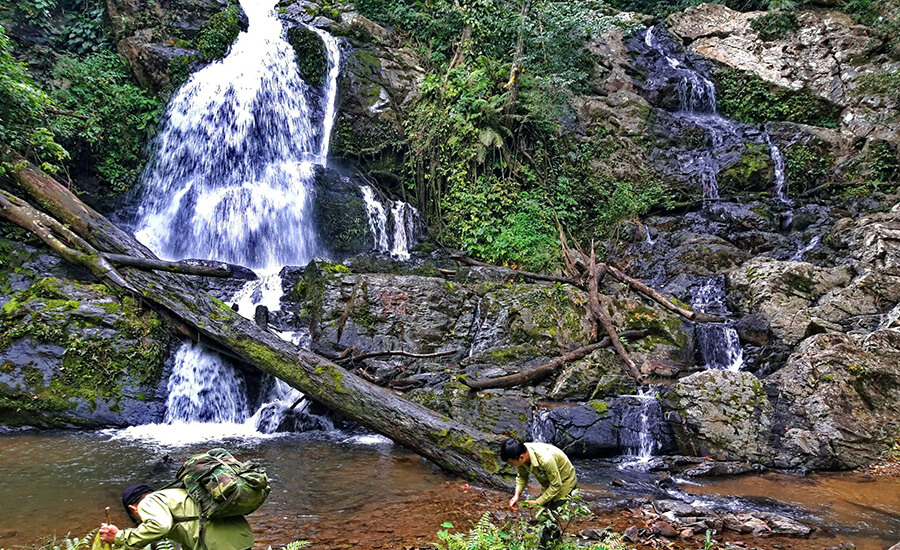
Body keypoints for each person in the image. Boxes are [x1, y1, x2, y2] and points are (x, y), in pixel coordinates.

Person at [99, 483, 254, 550]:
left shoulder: (148, 502)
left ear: (133, 509)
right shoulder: (176, 493)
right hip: (241, 539)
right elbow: (191, 530)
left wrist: (119, 536)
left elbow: (160, 526)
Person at [500, 438, 577, 546]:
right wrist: (517, 495)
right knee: (544, 512)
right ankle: (555, 543)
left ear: (521, 457)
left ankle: (545, 546)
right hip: (548, 482)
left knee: (551, 515)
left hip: (564, 482)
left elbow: (556, 485)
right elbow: (522, 477)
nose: (512, 466)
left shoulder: (546, 460)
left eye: (512, 464)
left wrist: (537, 501)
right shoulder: (521, 453)